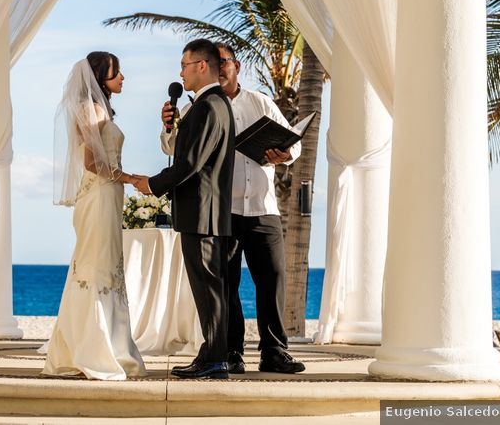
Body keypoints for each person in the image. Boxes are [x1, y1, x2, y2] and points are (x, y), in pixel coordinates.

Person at [160, 43, 305, 374]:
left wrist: (284, 155)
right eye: (217, 62)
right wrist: (169, 126)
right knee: (226, 285)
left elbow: (292, 142)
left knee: (272, 279)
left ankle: (274, 351)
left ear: (236, 65)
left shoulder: (260, 102)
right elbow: (175, 150)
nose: (221, 67)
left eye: (225, 61)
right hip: (224, 209)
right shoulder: (200, 106)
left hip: (262, 207)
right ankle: (231, 351)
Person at [133, 39, 235, 380]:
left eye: (184, 65)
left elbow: (191, 163)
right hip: (205, 211)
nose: (181, 73)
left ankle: (215, 359)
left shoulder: (209, 106)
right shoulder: (210, 104)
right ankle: (212, 354)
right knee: (209, 288)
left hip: (202, 212)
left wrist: (154, 183)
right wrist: (171, 128)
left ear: (201, 66)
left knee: (208, 288)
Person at [43, 52, 147, 380]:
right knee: (96, 267)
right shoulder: (90, 109)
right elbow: (91, 163)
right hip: (100, 193)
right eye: (118, 72)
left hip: (109, 193)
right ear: (102, 75)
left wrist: (122, 179)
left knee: (106, 267)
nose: (124, 77)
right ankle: (94, 351)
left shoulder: (101, 109)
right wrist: (128, 177)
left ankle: (106, 347)